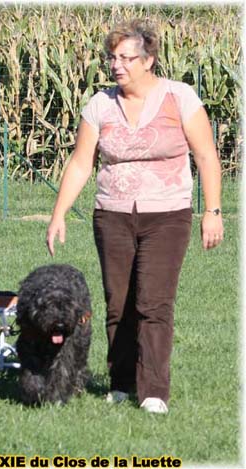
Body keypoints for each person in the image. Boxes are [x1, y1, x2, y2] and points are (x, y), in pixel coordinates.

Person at [46, 20, 224, 414]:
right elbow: (80, 164)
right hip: (112, 215)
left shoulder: (180, 98)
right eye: (112, 57)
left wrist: (212, 211)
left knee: (154, 303)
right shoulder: (100, 104)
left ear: (149, 60)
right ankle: (122, 383)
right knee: (118, 302)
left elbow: (208, 157)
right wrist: (58, 214)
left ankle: (154, 391)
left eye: (126, 58)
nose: (117, 65)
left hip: (168, 215)